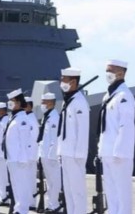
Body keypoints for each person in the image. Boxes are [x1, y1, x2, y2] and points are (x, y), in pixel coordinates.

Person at [98, 60, 135, 214]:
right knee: (111, 192)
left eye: (111, 70)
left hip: (119, 153)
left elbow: (125, 126)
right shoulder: (109, 95)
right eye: (107, 70)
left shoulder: (124, 95)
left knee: (122, 192)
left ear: (121, 73)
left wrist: (119, 152)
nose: (108, 74)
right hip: (107, 151)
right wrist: (101, 149)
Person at [57, 67, 89, 214]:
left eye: (64, 79)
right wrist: (60, 151)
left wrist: (80, 155)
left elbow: (82, 131)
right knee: (69, 192)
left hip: (75, 155)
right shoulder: (67, 102)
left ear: (73, 81)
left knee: (78, 192)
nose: (61, 82)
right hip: (66, 152)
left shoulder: (79, 102)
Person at [3, 88, 31, 214]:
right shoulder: (14, 118)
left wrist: (22, 160)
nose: (10, 103)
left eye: (12, 101)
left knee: (21, 186)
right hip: (12, 158)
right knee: (16, 186)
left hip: (19, 159)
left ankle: (23, 210)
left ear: (19, 103)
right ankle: (18, 209)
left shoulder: (22, 119)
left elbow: (25, 141)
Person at [37, 92, 61, 212]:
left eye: (44, 102)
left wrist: (52, 155)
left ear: (50, 103)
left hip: (51, 156)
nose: (42, 105)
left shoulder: (54, 118)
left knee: (54, 181)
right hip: (45, 155)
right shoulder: (47, 117)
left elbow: (55, 138)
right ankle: (50, 204)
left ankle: (55, 205)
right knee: (50, 182)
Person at [24, 96, 40, 210]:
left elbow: (33, 138)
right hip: (25, 154)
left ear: (29, 106)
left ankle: (31, 202)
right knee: (25, 179)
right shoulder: (25, 118)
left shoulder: (31, 120)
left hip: (29, 154)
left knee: (30, 178)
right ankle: (27, 200)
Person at [0, 102, 10, 206]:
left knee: (4, 176)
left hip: (3, 153)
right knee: (0, 176)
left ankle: (5, 196)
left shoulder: (5, 121)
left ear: (2, 110)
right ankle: (2, 195)